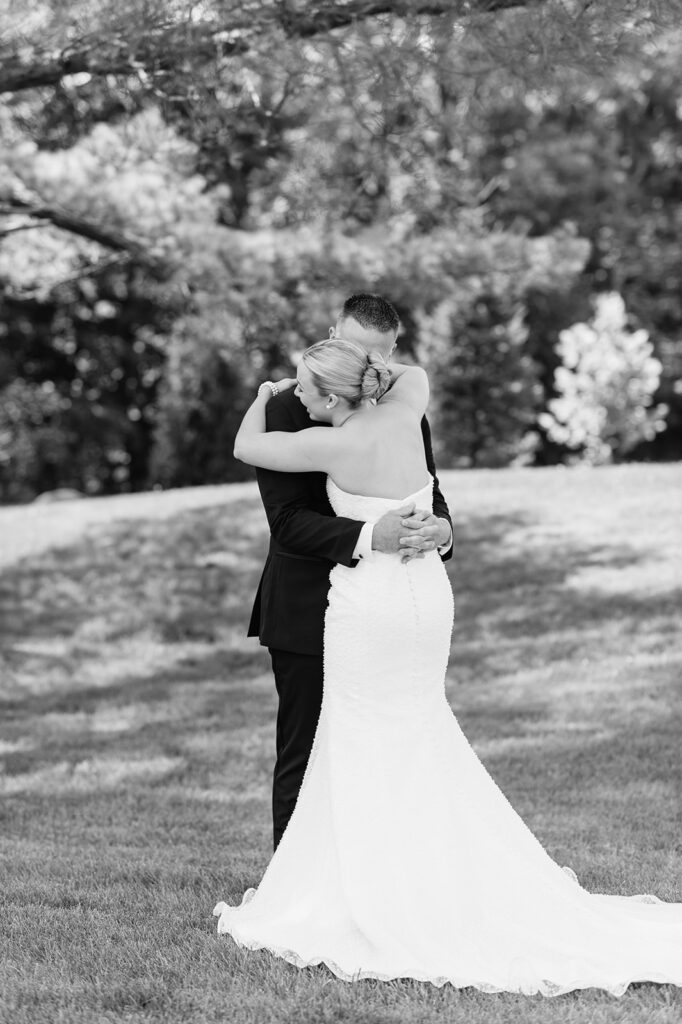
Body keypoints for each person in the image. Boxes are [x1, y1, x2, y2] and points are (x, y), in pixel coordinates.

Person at [214, 336, 682, 996]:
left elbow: (246, 448)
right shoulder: (406, 408)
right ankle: (415, 869)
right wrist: (364, 367)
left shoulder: (331, 444)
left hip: (372, 601)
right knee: (418, 728)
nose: (294, 395)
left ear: (328, 397)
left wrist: (263, 398)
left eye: (303, 389)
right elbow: (413, 372)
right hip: (427, 598)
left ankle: (366, 889)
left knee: (355, 733)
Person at [247, 294, 452, 850]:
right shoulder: (288, 407)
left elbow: (426, 483)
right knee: (306, 750)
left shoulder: (399, 403)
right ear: (334, 331)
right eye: (360, 352)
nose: (372, 369)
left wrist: (444, 530)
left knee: (391, 739)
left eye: (382, 356)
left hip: (390, 606)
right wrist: (369, 536)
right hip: (308, 607)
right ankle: (292, 883)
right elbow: (287, 521)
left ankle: (386, 863)